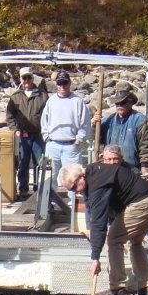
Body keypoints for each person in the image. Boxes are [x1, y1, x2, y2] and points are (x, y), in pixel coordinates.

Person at [58, 154, 148, 295]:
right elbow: (93, 210)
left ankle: (118, 288)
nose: (75, 191)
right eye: (71, 190)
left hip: (143, 202)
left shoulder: (96, 183)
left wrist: (95, 258)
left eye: (74, 187)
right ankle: (147, 286)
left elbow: (99, 223)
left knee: (114, 239)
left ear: (80, 177)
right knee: (135, 241)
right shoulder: (93, 173)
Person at [40, 71, 91, 211]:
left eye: (65, 83)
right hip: (53, 144)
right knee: (50, 175)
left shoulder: (77, 101)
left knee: (74, 176)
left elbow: (85, 123)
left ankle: (73, 205)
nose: (62, 86)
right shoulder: (51, 101)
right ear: (56, 85)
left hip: (71, 146)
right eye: (60, 83)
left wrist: (79, 139)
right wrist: (46, 137)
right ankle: (49, 203)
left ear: (70, 83)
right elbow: (44, 121)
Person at [6, 67, 48, 198]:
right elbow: (9, 116)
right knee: (23, 163)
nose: (27, 80)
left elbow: (49, 115)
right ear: (20, 79)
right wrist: (15, 130)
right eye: (24, 78)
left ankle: (38, 189)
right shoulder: (15, 97)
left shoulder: (43, 95)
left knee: (39, 163)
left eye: (29, 77)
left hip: (38, 135)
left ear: (32, 78)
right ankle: (23, 189)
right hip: (23, 136)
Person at [99, 91, 148, 178]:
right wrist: (95, 126)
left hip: (132, 168)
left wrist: (145, 166)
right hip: (110, 166)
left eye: (123, 102)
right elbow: (98, 140)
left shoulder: (141, 121)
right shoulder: (108, 120)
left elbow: (145, 146)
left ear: (131, 103)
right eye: (117, 103)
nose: (119, 105)